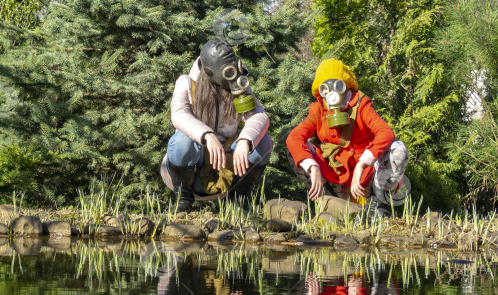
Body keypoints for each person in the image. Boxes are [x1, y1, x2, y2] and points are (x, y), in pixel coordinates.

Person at [160, 40, 273, 213]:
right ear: (209, 72)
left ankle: (237, 200)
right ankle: (183, 201)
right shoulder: (186, 83)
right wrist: (207, 135)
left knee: (263, 142)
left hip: (228, 168)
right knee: (181, 140)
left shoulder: (238, 86)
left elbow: (259, 116)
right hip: (193, 170)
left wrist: (245, 140)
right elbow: (179, 114)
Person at [285, 59, 409, 213]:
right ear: (320, 91)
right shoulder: (318, 110)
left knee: (398, 150)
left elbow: (386, 133)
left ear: (347, 86)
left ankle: (376, 206)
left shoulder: (361, 105)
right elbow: (294, 138)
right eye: (326, 89)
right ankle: (327, 203)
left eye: (338, 86)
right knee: (295, 151)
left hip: (365, 178)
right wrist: (313, 167)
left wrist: (362, 163)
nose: (333, 94)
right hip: (334, 176)